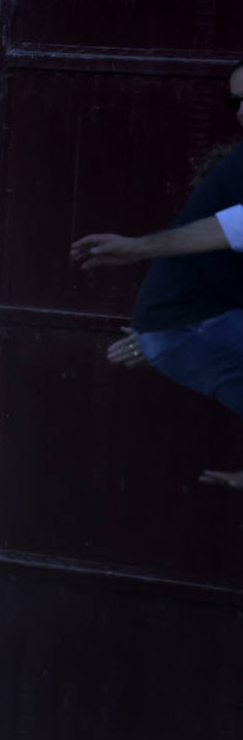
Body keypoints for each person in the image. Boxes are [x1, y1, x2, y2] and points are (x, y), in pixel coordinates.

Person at [68, 60, 243, 486]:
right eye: (236, 102)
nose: (242, 111)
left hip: (185, 326)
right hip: (190, 325)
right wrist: (138, 250)